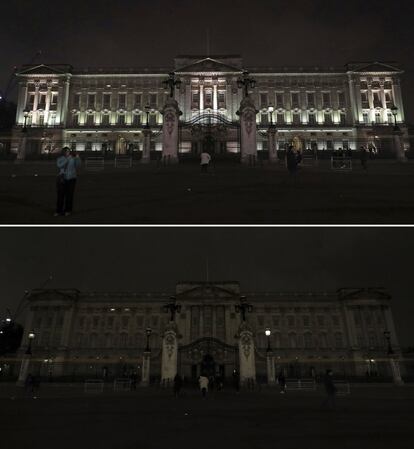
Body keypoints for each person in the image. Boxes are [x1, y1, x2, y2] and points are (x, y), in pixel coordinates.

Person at [55, 147, 70, 216]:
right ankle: (58, 211)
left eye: (69, 151)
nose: (68, 153)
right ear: (63, 152)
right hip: (61, 177)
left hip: (69, 177)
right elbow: (59, 165)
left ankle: (67, 210)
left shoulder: (71, 158)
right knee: (60, 195)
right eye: (67, 151)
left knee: (68, 196)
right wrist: (66, 160)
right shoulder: (60, 158)